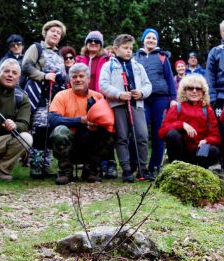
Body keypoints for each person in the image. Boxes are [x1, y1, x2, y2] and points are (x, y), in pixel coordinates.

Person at [49, 63, 115, 184]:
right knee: (59, 131)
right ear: (70, 79)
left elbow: (109, 123)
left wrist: (97, 126)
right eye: (74, 77)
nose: (78, 79)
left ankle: (91, 170)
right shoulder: (61, 96)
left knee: (107, 133)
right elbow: (52, 119)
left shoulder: (98, 97)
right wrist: (80, 120)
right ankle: (65, 172)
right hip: (69, 145)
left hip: (90, 142)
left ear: (88, 79)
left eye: (81, 76)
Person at [99, 34, 152, 183]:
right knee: (121, 137)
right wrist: (119, 94)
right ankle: (126, 169)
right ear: (116, 49)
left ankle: (143, 168)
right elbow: (103, 85)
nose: (129, 51)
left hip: (137, 105)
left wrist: (141, 93)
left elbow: (148, 85)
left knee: (142, 136)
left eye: (130, 48)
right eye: (125, 48)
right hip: (118, 106)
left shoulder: (138, 66)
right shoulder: (108, 65)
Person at [21, 20, 67, 178]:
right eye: (53, 31)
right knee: (39, 129)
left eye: (58, 33)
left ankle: (46, 165)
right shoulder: (36, 48)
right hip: (38, 95)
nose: (55, 34)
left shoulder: (59, 56)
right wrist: (44, 76)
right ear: (45, 32)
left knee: (50, 130)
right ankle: (35, 164)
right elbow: (26, 66)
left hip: (54, 99)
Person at [135, 28, 177, 177]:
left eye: (154, 38)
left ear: (157, 41)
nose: (151, 40)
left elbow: (170, 79)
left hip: (160, 98)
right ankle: (141, 166)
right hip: (142, 99)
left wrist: (173, 99)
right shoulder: (135, 57)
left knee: (159, 133)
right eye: (148, 38)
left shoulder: (162, 57)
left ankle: (154, 166)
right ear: (143, 40)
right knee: (142, 132)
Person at [76, 31, 116, 178]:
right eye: (90, 41)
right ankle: (91, 164)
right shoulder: (79, 59)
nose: (93, 43)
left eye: (97, 41)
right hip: (83, 99)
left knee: (107, 129)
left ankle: (110, 163)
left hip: (101, 99)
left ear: (101, 45)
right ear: (86, 43)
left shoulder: (106, 59)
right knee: (87, 130)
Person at [159, 74, 221, 168]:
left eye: (198, 88)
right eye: (190, 88)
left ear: (203, 92)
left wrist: (206, 140)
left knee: (213, 150)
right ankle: (177, 170)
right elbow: (162, 132)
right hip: (181, 151)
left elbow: (216, 136)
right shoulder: (176, 108)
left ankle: (199, 172)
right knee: (172, 134)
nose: (194, 91)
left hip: (200, 151)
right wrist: (182, 124)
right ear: (184, 91)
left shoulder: (208, 110)